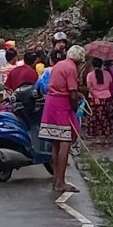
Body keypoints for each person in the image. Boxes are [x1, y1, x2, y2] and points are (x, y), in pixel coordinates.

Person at [39, 45, 87, 193]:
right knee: (65, 143)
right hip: (61, 106)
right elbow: (72, 93)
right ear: (79, 60)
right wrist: (75, 106)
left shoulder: (59, 65)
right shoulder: (72, 68)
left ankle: (56, 180)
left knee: (56, 144)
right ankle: (60, 182)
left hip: (51, 103)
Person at [86, 57, 113, 144]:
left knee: (95, 118)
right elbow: (111, 85)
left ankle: (97, 138)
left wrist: (96, 96)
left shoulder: (90, 75)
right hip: (106, 97)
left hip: (94, 99)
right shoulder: (107, 74)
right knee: (107, 117)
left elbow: (89, 88)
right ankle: (107, 138)